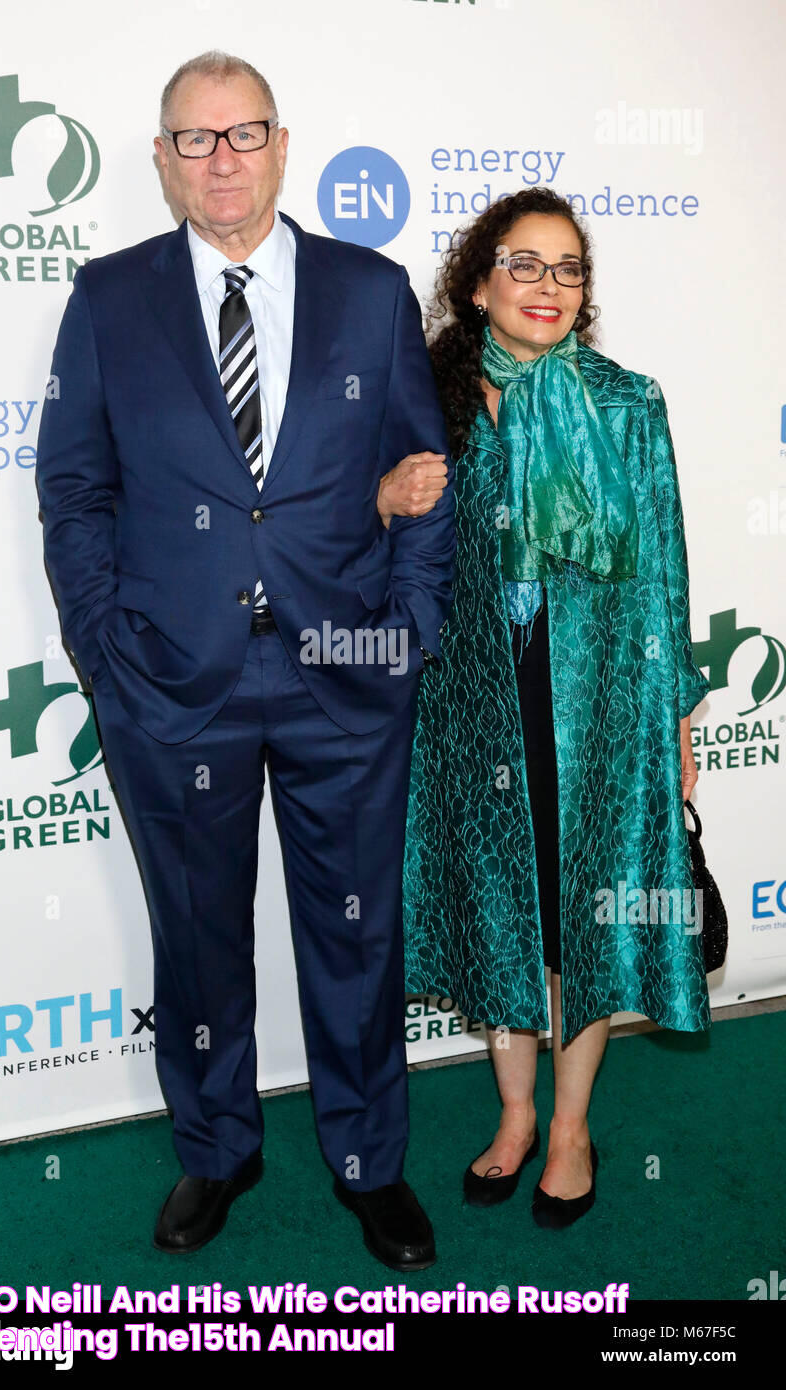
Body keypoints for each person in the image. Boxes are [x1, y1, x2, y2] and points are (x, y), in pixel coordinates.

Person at [35, 50, 455, 1269]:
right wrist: (107, 650)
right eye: (194, 139)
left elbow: (422, 484)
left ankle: (371, 1159)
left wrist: (409, 637)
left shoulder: (371, 292)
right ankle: (217, 1148)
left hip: (346, 672)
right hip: (172, 686)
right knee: (199, 932)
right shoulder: (109, 300)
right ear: (163, 162)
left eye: (243, 133)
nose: (221, 159)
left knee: (356, 930)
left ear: (283, 144)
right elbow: (75, 492)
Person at [383, 187, 711, 1228]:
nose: (548, 286)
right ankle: (515, 1114)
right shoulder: (427, 405)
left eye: (568, 268)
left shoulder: (627, 403)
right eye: (523, 264)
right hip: (473, 709)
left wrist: (678, 720)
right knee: (501, 911)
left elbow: (662, 571)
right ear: (478, 283)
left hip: (601, 709)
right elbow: (374, 547)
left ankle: (570, 1130)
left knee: (580, 925)